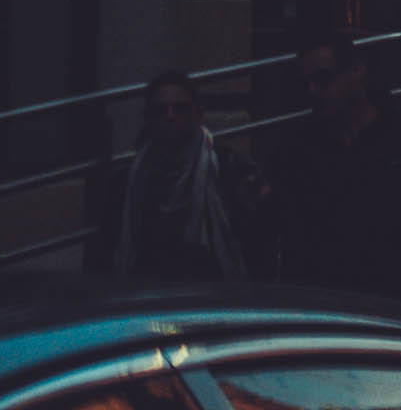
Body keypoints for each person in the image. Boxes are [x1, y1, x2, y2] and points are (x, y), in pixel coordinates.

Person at [262, 48, 401, 319]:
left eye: (323, 79)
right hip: (329, 322)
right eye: (306, 84)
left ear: (356, 70)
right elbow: (279, 237)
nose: (313, 91)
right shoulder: (298, 151)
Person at [81, 72, 268, 281]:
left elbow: (256, 239)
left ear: (198, 114)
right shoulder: (126, 181)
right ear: (148, 118)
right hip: (149, 289)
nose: (170, 116)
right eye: (160, 110)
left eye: (180, 109)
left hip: (210, 290)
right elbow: (108, 248)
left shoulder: (228, 168)